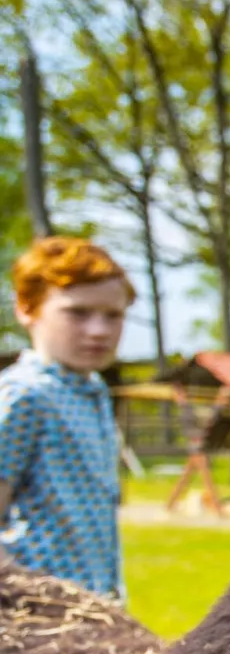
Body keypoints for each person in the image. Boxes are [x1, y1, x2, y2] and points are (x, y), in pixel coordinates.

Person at [1, 237, 132, 598]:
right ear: (27, 308)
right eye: (77, 312)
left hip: (93, 604)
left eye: (113, 315)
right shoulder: (23, 395)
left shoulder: (93, 392)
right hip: (36, 619)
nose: (99, 330)